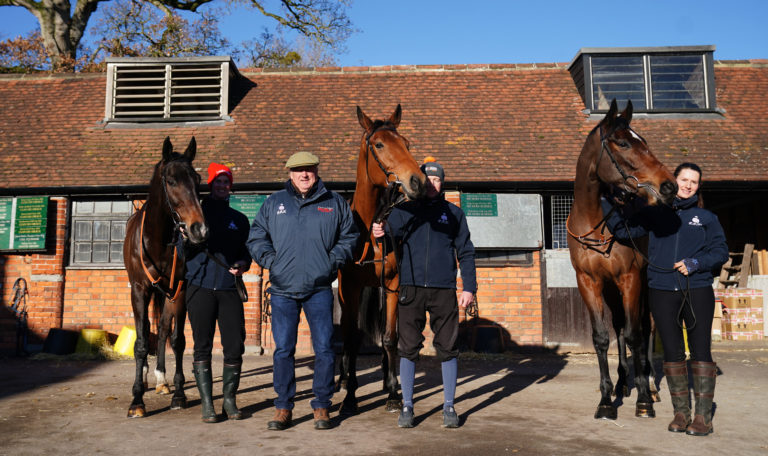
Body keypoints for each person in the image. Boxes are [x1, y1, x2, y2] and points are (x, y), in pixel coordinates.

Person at [604, 162, 728, 436]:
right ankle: (681, 414)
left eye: (693, 182)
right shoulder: (654, 214)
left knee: (700, 352)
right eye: (684, 180)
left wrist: (696, 263)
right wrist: (606, 203)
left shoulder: (706, 218)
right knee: (672, 353)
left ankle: (702, 418)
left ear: (698, 186)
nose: (688, 185)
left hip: (696, 290)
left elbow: (721, 251)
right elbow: (624, 232)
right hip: (661, 291)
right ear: (674, 181)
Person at [247, 152, 357, 431]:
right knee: (283, 350)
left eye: (308, 169)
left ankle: (322, 405)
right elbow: (257, 236)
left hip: (319, 289)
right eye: (298, 170)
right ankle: (283, 406)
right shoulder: (274, 203)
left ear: (316, 171)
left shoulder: (334, 203)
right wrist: (272, 261)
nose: (304, 174)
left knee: (325, 349)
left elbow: (350, 237)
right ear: (290, 173)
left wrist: (331, 262)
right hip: (282, 290)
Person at [372, 157, 477, 429]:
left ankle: (449, 406)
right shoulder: (404, 211)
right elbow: (386, 237)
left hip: (444, 290)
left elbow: (466, 251)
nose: (431, 183)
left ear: (443, 183)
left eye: (437, 179)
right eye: (427, 178)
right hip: (411, 289)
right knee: (407, 349)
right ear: (419, 180)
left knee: (448, 349)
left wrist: (469, 287)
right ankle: (407, 406)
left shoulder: (454, 214)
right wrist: (378, 232)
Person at [185, 163, 252, 423]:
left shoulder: (239, 219)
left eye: (226, 182)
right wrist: (184, 238)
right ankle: (207, 404)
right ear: (210, 185)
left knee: (234, 346)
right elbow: (181, 252)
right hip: (199, 287)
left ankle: (229, 400)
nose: (222, 186)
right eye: (218, 181)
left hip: (229, 289)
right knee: (202, 346)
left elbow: (246, 252)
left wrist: (243, 263)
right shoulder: (195, 215)